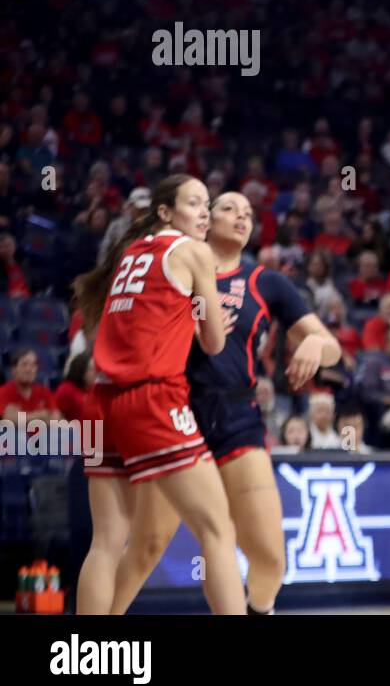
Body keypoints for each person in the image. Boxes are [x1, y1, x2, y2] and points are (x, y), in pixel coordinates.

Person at [108, 191, 341, 615]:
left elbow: (333, 348)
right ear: (204, 219)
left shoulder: (267, 281)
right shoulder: (172, 265)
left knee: (270, 556)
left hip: (237, 417)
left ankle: (258, 609)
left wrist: (312, 343)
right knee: (146, 546)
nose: (242, 216)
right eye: (230, 208)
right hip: (176, 413)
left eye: (249, 213)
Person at [70, 174, 242, 614]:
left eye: (208, 204)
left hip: (101, 403)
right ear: (166, 212)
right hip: (150, 400)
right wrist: (211, 309)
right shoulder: (195, 253)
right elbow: (214, 342)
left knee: (106, 542)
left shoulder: (131, 252)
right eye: (194, 203)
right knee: (217, 529)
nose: (204, 212)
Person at [0, 348, 57, 426]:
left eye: (33, 365)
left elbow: (56, 418)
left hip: (41, 437)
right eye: (24, 364)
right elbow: (10, 419)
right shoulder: (4, 392)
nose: (29, 369)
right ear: (13, 370)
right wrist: (41, 414)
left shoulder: (44, 392)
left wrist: (23, 418)